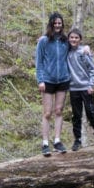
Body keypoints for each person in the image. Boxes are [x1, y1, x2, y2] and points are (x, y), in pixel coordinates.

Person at [35, 12, 71, 156]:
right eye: (55, 23)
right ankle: (45, 143)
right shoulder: (44, 41)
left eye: (59, 23)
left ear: (62, 25)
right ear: (51, 24)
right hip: (48, 80)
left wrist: (86, 49)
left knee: (59, 111)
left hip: (63, 79)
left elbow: (76, 48)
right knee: (47, 112)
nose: (57, 25)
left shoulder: (65, 40)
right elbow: (38, 61)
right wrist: (40, 80)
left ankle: (57, 141)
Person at [67, 28, 94, 150]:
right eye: (71, 37)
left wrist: (91, 85)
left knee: (91, 113)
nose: (74, 39)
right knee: (76, 115)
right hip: (73, 88)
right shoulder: (65, 51)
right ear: (68, 39)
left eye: (76, 38)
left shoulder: (84, 52)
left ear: (80, 40)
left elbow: (92, 69)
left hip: (86, 88)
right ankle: (77, 140)